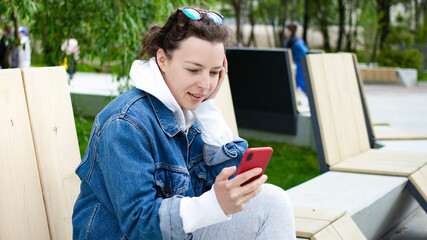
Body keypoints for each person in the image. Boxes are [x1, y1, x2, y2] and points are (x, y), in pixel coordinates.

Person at [72, 7, 296, 240]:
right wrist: (212, 205)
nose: (205, 83)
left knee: (272, 203)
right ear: (162, 60)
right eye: (193, 69)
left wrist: (207, 106)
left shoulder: (190, 112)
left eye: (214, 72)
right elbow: (140, 225)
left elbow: (231, 190)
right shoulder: (125, 124)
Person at [284, 23, 309, 94]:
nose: (286, 32)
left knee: (301, 81)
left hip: (301, 62)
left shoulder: (295, 41)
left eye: (287, 30)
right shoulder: (293, 40)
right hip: (299, 62)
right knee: (299, 81)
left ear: (290, 31)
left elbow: (305, 52)